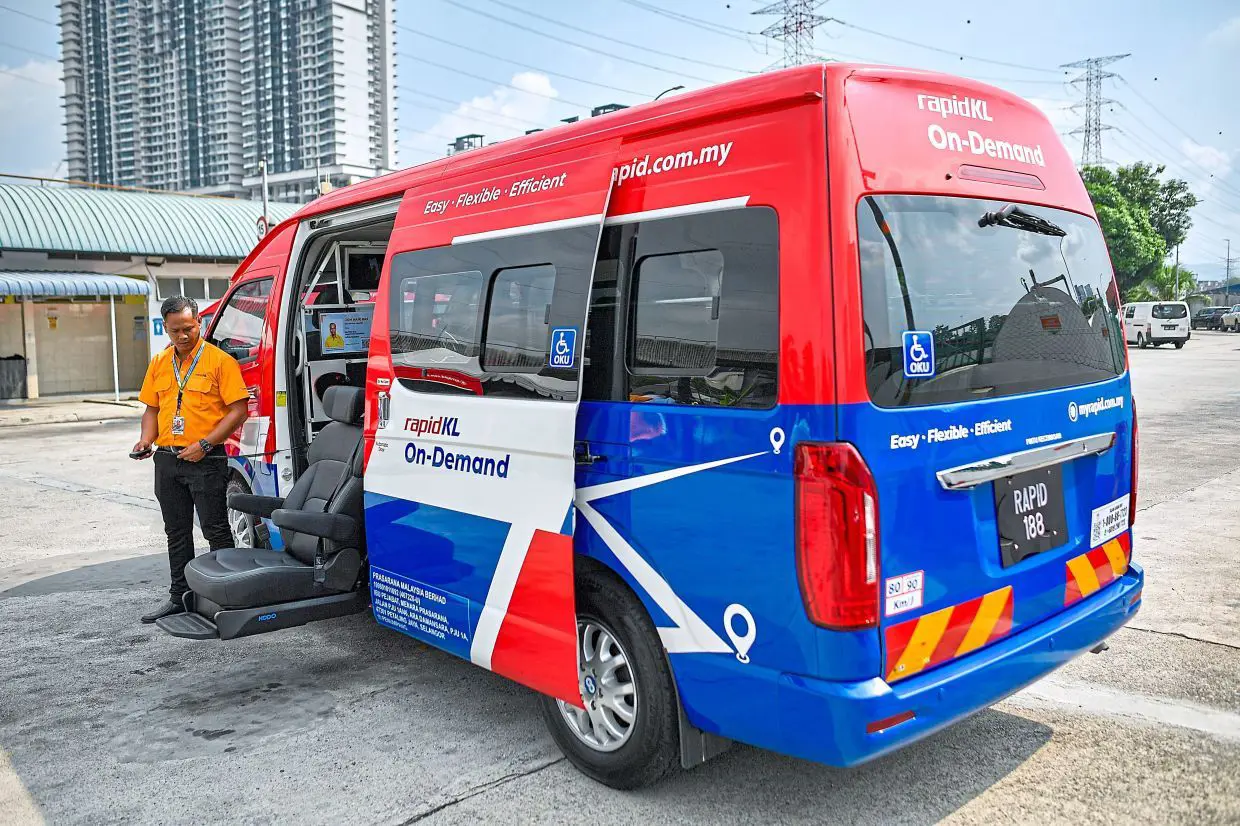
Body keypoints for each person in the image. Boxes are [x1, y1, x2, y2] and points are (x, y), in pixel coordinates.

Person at [133, 296, 249, 623]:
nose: (182, 336)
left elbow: (238, 410)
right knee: (177, 532)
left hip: (206, 458)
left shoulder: (219, 361)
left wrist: (206, 444)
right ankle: (180, 597)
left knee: (215, 529)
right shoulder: (159, 363)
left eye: (188, 328)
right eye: (174, 331)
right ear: (166, 329)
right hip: (168, 461)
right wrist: (145, 440)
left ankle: (227, 597)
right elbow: (152, 409)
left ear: (200, 321)